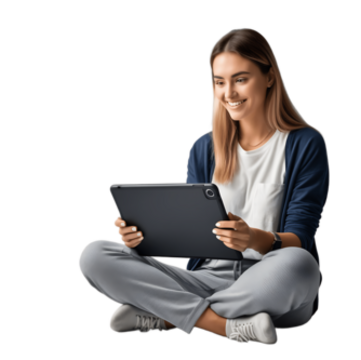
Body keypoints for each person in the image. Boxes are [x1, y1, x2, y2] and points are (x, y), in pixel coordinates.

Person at [76, 27, 328, 345]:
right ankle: (226, 325)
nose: (229, 93)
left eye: (240, 79)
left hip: (270, 279)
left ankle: (167, 316)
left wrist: (253, 238)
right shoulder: (204, 148)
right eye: (219, 82)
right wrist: (139, 241)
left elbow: (299, 239)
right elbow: (190, 237)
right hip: (206, 277)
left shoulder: (306, 143)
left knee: (300, 264)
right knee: (93, 254)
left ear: (269, 77)